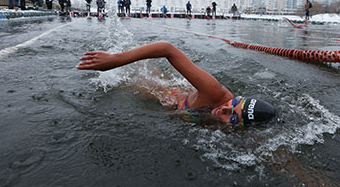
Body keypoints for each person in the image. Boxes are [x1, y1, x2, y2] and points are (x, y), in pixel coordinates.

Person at [77, 42, 277, 126]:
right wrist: (116, 60)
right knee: (130, 83)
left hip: (182, 106)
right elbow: (168, 49)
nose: (224, 110)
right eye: (233, 105)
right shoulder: (214, 92)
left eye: (233, 118)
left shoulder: (236, 137)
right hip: (167, 97)